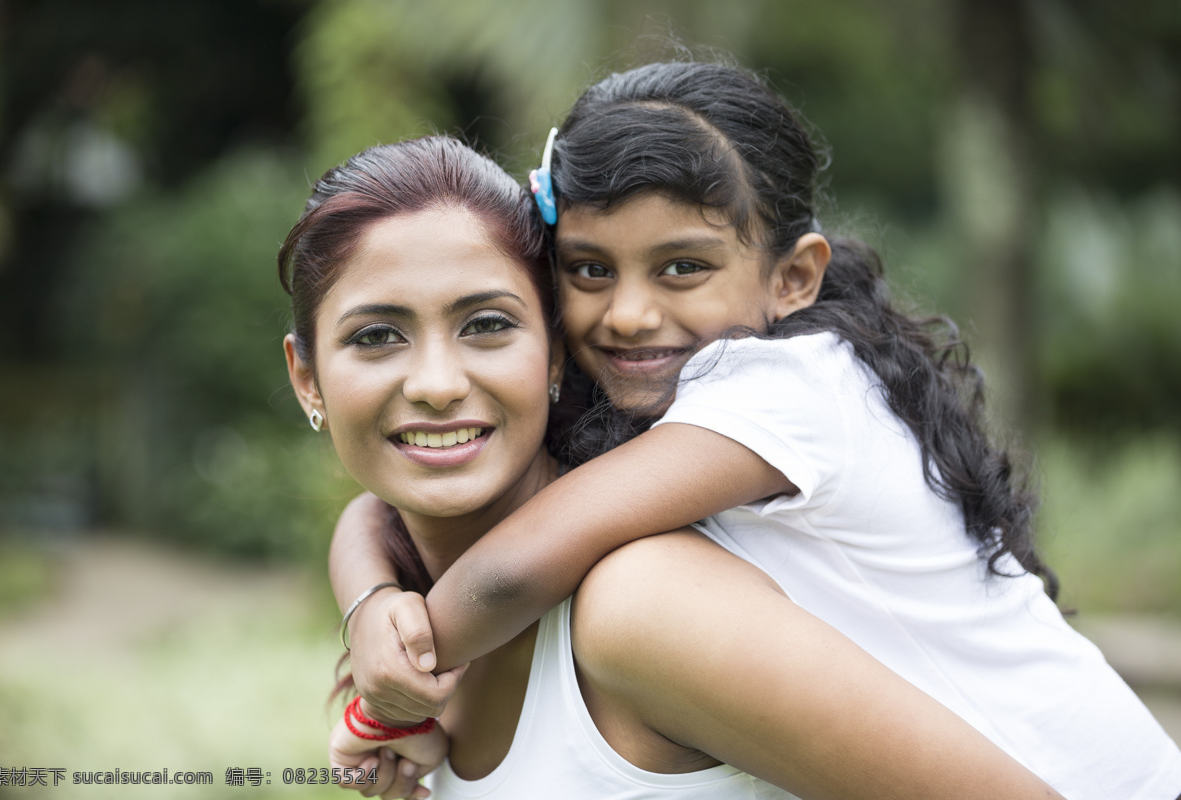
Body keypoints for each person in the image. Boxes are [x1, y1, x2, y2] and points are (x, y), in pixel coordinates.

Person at [329, 63, 1181, 800]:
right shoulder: (665, 393)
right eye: (590, 269)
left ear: (792, 278)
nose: (628, 313)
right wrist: (370, 602)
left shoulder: (789, 385)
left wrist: (387, 688)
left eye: (683, 267)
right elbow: (381, 510)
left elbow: (520, 564)